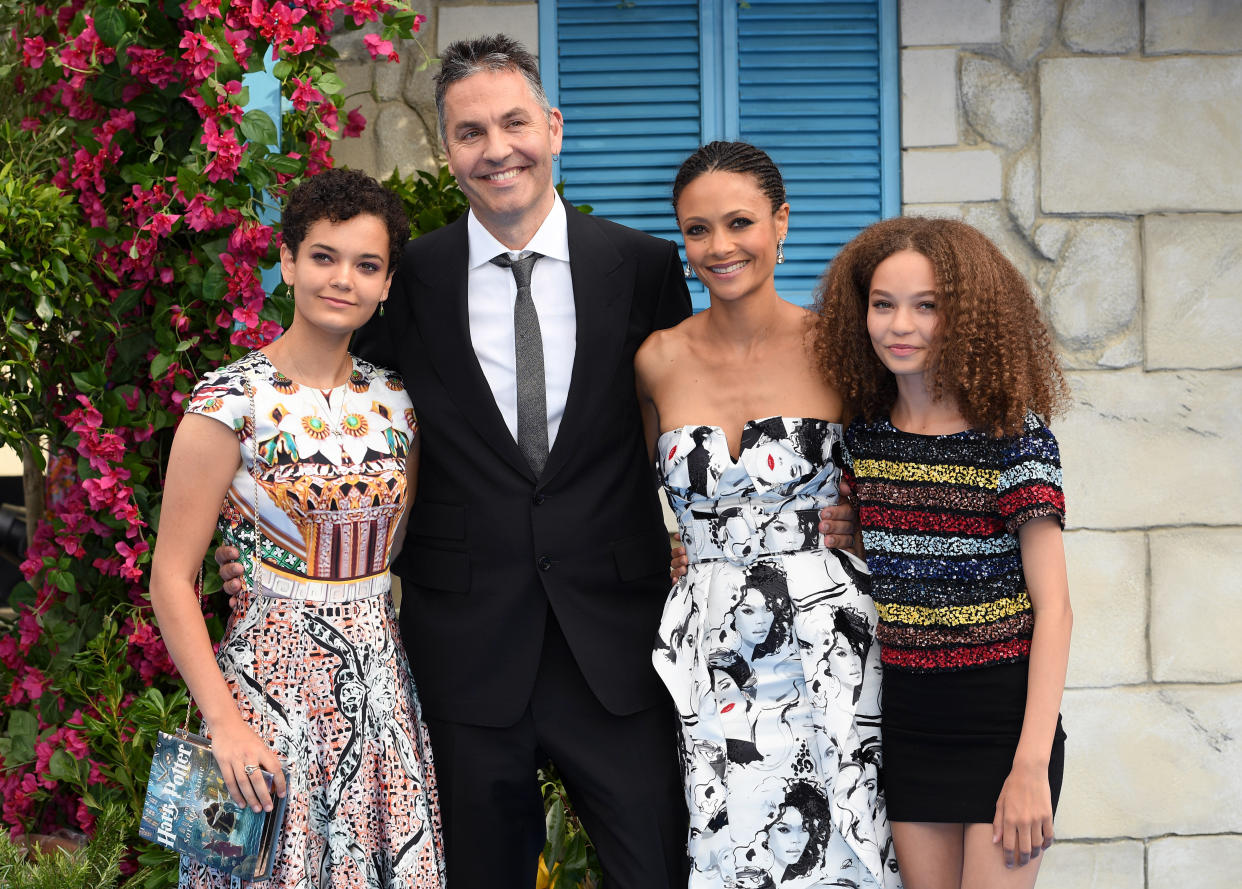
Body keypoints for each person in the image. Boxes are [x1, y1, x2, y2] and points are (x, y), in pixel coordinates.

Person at [149, 169, 446, 887]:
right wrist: (224, 722)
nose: (342, 278)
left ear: (386, 283)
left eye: (366, 264)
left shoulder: (401, 402)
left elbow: (395, 544)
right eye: (323, 255)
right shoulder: (228, 399)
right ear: (287, 261)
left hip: (380, 691)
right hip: (264, 695)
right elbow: (169, 577)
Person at [638, 140, 900, 889]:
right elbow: (627, 489)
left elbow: (903, 473)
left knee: (843, 837)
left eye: (740, 222)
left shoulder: (845, 347)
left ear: (781, 223)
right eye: (696, 229)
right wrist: (669, 542)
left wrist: (861, 516)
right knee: (726, 842)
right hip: (710, 635)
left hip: (830, 634)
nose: (719, 246)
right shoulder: (656, 358)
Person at [814, 216, 1073, 887]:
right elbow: (881, 552)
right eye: (883, 304)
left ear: (968, 316)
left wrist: (1030, 766)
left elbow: (1057, 611)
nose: (901, 324)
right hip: (909, 718)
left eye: (927, 305)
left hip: (1004, 722)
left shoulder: (1013, 436)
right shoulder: (863, 437)